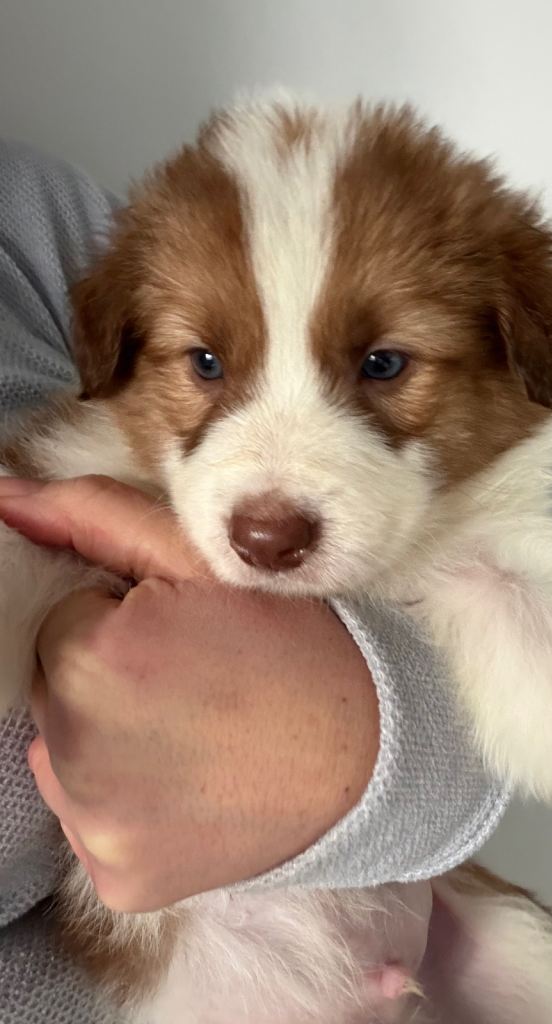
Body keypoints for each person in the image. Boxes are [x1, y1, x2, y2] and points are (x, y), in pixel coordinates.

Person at [0, 139, 507, 1022]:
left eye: (380, 365)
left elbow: (477, 672)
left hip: (429, 909)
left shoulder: (33, 220)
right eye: (207, 366)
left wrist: (368, 744)